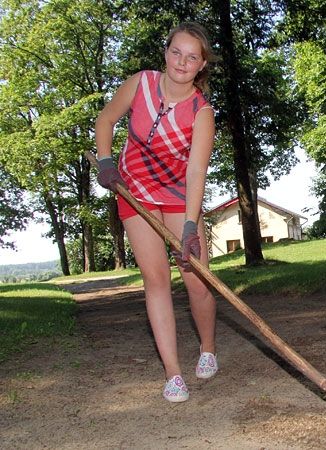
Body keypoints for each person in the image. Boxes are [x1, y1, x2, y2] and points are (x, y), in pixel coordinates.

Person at [94, 22, 218, 403]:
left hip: (180, 194)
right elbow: (105, 120)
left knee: (196, 276)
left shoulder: (202, 112)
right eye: (176, 52)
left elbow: (196, 171)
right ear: (166, 52)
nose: (182, 61)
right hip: (134, 191)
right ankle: (173, 373)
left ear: (201, 66)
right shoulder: (140, 83)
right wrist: (106, 161)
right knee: (156, 278)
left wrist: (192, 226)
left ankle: (208, 349)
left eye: (192, 56)